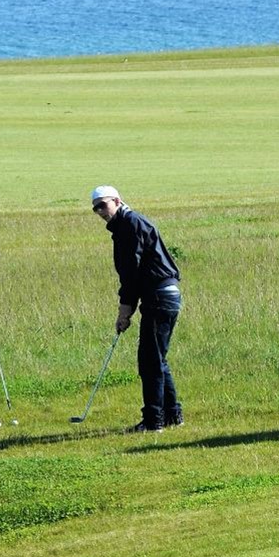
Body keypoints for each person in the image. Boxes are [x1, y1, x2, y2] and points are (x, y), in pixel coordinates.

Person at [90, 185, 183, 432]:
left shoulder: (130, 224)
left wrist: (124, 311)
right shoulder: (128, 223)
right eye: (95, 207)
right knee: (157, 358)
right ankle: (172, 415)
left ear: (117, 201)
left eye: (104, 205)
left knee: (149, 361)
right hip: (164, 295)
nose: (100, 211)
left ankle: (154, 421)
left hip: (159, 296)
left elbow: (130, 273)